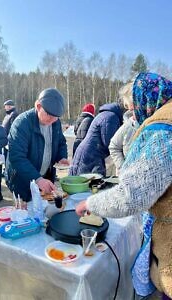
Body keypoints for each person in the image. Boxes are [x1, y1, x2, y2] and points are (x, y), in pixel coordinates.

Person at [76, 72, 172, 299]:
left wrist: (91, 203)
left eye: (133, 106)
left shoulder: (162, 129)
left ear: (145, 101)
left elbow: (132, 196)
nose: (134, 114)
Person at [6, 88, 69, 202]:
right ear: (38, 106)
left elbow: (61, 142)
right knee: (26, 212)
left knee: (45, 210)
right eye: (49, 115)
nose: (53, 120)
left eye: (56, 117)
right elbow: (17, 157)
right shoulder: (21, 124)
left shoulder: (55, 122)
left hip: (45, 177)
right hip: (23, 181)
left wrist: (62, 157)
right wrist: (37, 179)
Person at [70, 102, 123, 176]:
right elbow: (109, 142)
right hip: (91, 157)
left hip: (88, 153)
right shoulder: (111, 117)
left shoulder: (105, 114)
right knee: (87, 183)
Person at [109, 87, 139, 175]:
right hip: (129, 178)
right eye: (129, 107)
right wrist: (123, 168)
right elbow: (113, 145)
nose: (130, 110)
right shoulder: (127, 125)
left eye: (134, 108)